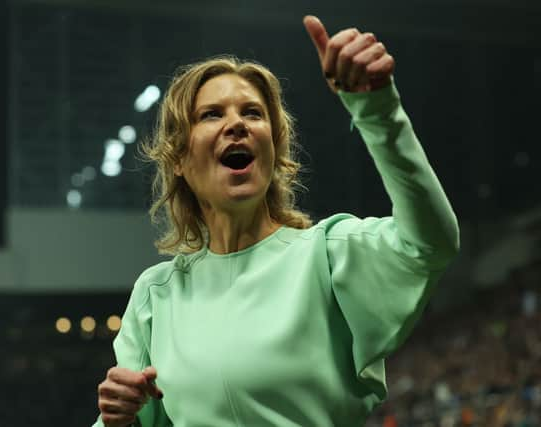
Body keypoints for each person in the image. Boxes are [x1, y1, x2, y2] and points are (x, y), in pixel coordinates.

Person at [92, 15, 460, 427]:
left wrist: (377, 110)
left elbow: (430, 241)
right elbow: (134, 419)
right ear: (178, 159)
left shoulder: (327, 256)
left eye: (253, 113)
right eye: (211, 115)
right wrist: (117, 421)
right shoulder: (155, 296)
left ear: (273, 149)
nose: (236, 124)